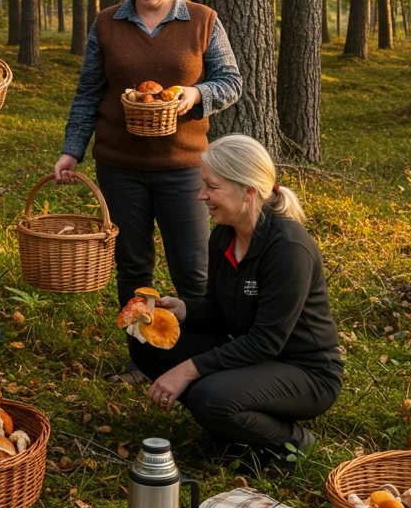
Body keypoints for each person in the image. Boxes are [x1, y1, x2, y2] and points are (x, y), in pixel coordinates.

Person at [54, 0, 241, 379]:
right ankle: (145, 359)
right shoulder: (108, 24)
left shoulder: (203, 20)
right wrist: (71, 151)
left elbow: (231, 81)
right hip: (120, 166)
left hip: (184, 168)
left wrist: (194, 97)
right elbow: (88, 93)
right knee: (133, 266)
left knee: (193, 270)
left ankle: (197, 358)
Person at [134, 135, 342, 459]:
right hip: (254, 355)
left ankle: (292, 441)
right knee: (144, 339)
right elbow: (219, 309)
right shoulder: (224, 236)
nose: (202, 195)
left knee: (209, 396)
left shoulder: (288, 249)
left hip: (306, 373)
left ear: (248, 192)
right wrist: (185, 309)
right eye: (204, 185)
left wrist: (188, 369)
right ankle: (229, 422)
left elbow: (266, 341)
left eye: (212, 187)